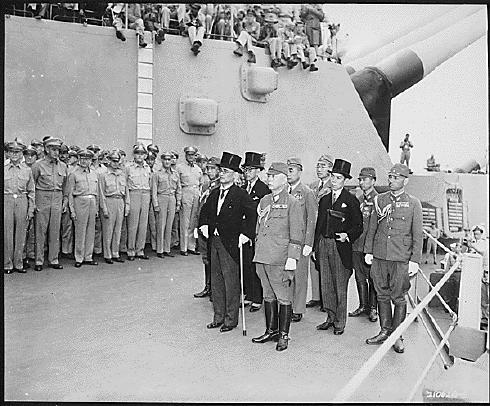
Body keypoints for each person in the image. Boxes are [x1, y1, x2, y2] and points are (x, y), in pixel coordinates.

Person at [364, 163, 423, 353]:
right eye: (390, 177)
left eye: (396, 178)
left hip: (400, 257)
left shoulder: (414, 203)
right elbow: (373, 227)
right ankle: (384, 331)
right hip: (380, 255)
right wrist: (369, 251)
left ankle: (397, 336)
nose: (391, 180)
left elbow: (417, 234)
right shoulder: (380, 200)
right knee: (381, 294)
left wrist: (415, 260)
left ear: (405, 180)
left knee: (398, 297)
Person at [199, 152, 256, 333]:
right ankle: (218, 316)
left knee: (231, 282)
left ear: (234, 174)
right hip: (214, 241)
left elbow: (252, 215)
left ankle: (231, 320)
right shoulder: (215, 193)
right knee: (216, 281)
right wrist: (204, 225)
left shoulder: (241, 195)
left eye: (224, 171)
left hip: (231, 243)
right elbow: (205, 213)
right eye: (220, 171)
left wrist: (246, 234)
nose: (221, 174)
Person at [252, 162, 304, 351]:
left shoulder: (292, 202)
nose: (269, 179)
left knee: (283, 297)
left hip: (279, 258)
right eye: (269, 176)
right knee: (267, 295)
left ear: (284, 178)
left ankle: (284, 335)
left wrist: (292, 258)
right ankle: (271, 330)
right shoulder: (265, 200)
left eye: (274, 176)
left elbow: (297, 233)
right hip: (262, 256)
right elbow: (259, 227)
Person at [314, 159, 363, 336]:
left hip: (340, 247)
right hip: (324, 244)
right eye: (333, 177)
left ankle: (340, 322)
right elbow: (319, 225)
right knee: (326, 284)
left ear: (345, 180)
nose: (334, 180)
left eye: (338, 178)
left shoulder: (350, 200)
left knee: (339, 286)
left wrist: (347, 235)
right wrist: (315, 247)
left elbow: (359, 225)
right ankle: (330, 317)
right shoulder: (325, 199)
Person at [286, 158, 317, 322]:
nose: (288, 173)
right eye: (287, 170)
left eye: (291, 170)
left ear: (299, 171)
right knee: (287, 275)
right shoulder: (284, 191)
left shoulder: (306, 192)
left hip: (301, 242)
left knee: (299, 276)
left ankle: (298, 308)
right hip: (286, 241)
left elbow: (312, 219)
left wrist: (309, 243)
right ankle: (287, 305)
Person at [31, 137, 68, 271]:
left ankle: (54, 259)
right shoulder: (38, 165)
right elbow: (32, 185)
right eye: (53, 149)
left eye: (58, 150)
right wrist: (34, 203)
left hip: (57, 198)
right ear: (46, 149)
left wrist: (64, 201)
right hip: (42, 197)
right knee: (40, 231)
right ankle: (39, 261)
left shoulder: (63, 166)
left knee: (55, 230)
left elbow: (65, 186)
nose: (56, 152)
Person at [241, 152, 271, 312]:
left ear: (258, 171)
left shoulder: (263, 189)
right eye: (246, 170)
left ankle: (258, 297)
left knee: (256, 266)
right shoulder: (243, 188)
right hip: (244, 233)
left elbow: (263, 214)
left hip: (256, 233)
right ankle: (249, 294)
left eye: (251, 170)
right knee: (246, 264)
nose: (248, 173)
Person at [349, 167, 379, 322]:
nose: (361, 182)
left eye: (365, 179)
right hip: (356, 245)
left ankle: (373, 308)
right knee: (359, 277)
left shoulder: (378, 200)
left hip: (370, 247)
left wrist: (372, 249)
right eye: (360, 179)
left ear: (373, 181)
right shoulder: (358, 200)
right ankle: (363, 305)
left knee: (372, 278)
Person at [4, 140, 35, 274]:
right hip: (7, 200)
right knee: (7, 233)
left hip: (22, 200)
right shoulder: (4, 169)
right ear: (7, 153)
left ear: (21, 154)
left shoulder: (27, 170)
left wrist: (31, 209)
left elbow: (31, 191)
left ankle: (18, 263)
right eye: (12, 152)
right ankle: (7, 264)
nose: (14, 155)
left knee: (21, 234)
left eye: (17, 152)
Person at [307, 154, 333, 309]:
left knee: (324, 265)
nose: (319, 169)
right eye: (318, 166)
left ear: (330, 168)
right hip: (313, 228)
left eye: (322, 166)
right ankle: (316, 296)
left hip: (324, 228)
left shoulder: (332, 185)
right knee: (313, 263)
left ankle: (326, 299)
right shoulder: (313, 186)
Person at [194, 156, 221, 299]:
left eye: (213, 169)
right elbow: (200, 207)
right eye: (208, 168)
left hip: (212, 228)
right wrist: (196, 226)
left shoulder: (219, 187)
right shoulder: (205, 186)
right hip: (202, 227)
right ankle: (208, 286)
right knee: (205, 257)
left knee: (214, 259)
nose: (209, 171)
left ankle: (215, 289)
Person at [67, 149, 99, 268]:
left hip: (92, 201)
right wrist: (72, 210)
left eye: (88, 159)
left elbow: (97, 193)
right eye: (83, 158)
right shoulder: (74, 174)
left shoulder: (94, 173)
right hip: (80, 201)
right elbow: (69, 193)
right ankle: (79, 257)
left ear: (91, 160)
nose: (85, 161)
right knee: (80, 231)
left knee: (91, 230)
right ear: (79, 159)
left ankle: (88, 256)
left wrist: (96, 208)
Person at [98, 150, 128, 264]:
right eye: (113, 161)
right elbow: (101, 193)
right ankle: (107, 254)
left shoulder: (122, 174)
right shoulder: (103, 175)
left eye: (117, 161)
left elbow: (126, 192)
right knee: (108, 230)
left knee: (118, 229)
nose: (115, 163)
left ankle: (116, 253)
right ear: (109, 161)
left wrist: (127, 206)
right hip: (109, 201)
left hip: (120, 201)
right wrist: (104, 208)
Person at [152, 151, 182, 259]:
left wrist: (178, 202)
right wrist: (155, 204)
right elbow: (154, 190)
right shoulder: (157, 173)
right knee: (161, 225)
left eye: (169, 159)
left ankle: (167, 249)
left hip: (172, 199)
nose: (167, 162)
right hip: (162, 198)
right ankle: (159, 249)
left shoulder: (175, 174)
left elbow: (179, 189)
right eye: (165, 159)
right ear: (162, 160)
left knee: (169, 225)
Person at [125, 143, 152, 261]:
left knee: (143, 224)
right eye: (137, 153)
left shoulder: (147, 168)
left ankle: (140, 249)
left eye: (142, 153)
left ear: (145, 155)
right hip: (134, 193)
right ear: (134, 155)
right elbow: (125, 185)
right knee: (133, 224)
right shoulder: (128, 167)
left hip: (145, 194)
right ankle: (131, 250)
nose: (140, 156)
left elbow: (150, 183)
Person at [176, 146, 202, 256]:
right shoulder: (180, 168)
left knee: (193, 222)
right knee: (184, 222)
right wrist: (179, 199)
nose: (191, 157)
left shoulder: (198, 169)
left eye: (193, 155)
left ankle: (191, 246)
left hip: (195, 194)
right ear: (186, 156)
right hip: (185, 193)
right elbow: (177, 185)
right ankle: (184, 247)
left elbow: (200, 184)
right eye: (189, 155)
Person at [467, 225, 488, 330]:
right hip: (477, 273)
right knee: (482, 297)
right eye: (475, 234)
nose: (476, 236)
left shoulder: (484, 243)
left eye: (478, 234)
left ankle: (485, 318)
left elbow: (482, 251)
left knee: (486, 297)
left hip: (485, 272)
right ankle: (483, 317)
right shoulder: (475, 243)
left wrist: (472, 245)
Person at [23, 145, 38, 268]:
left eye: (32, 155)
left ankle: (31, 253)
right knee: (23, 231)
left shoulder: (36, 168)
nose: (29, 157)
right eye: (27, 155)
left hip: (37, 201)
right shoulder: (23, 168)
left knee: (33, 230)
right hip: (23, 202)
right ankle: (22, 256)